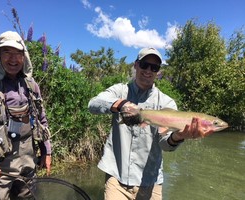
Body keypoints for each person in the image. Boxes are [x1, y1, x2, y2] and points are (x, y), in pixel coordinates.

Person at [88, 47, 214, 200]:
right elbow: (93, 104)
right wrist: (121, 104)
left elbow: (165, 144)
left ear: (158, 72)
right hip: (117, 177)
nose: (149, 70)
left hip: (150, 182)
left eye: (154, 67)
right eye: (145, 64)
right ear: (136, 65)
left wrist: (179, 136)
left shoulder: (167, 103)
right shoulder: (119, 90)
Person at [0, 31, 52, 199]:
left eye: (18, 53)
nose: (13, 59)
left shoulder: (32, 86)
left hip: (28, 167)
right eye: (7, 52)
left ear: (24, 56)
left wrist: (46, 151)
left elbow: (42, 121)